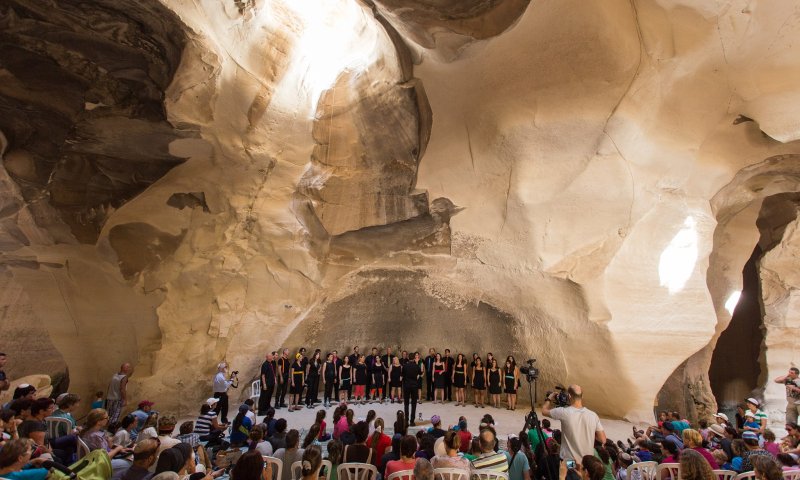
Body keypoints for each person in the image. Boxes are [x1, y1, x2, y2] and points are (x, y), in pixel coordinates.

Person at [542, 385, 606, 463]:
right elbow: (602, 439)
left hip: (570, 461)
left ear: (569, 396)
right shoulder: (593, 415)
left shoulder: (563, 412)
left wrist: (549, 398)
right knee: (581, 471)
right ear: (582, 396)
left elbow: (544, 411)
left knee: (568, 470)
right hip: (586, 463)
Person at [402, 352, 422, 426]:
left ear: (408, 358)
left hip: (406, 386)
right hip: (414, 386)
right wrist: (416, 363)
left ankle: (406, 421)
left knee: (406, 404)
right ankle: (412, 421)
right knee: (414, 404)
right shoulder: (416, 366)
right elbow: (420, 373)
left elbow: (402, 375)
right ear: (414, 358)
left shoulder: (405, 366)